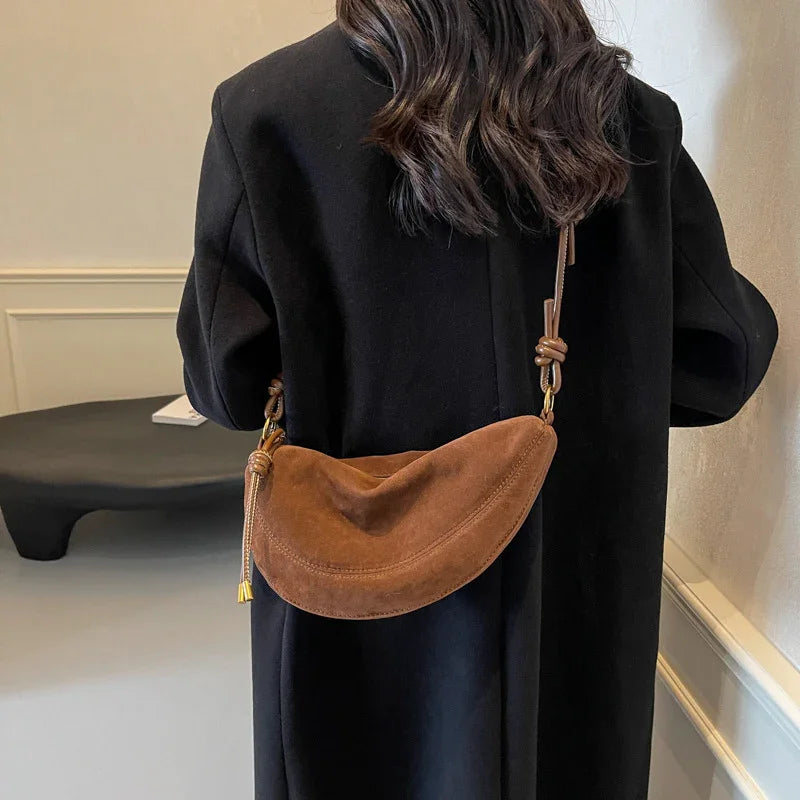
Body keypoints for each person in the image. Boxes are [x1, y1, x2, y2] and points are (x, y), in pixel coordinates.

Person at [176, 3, 778, 798]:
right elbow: (719, 364)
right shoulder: (631, 121)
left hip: (360, 602)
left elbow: (226, 384)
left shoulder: (267, 108)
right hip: (571, 600)